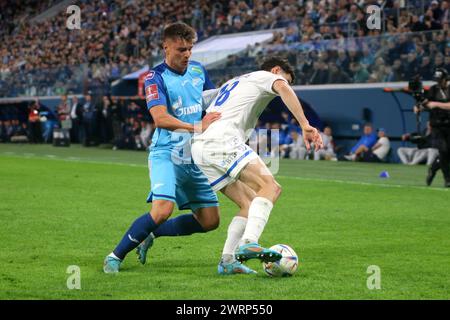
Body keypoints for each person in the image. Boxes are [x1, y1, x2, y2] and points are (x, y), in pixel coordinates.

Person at [104, 22, 226, 274]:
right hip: (166, 154)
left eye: (190, 49)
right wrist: (197, 127)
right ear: (166, 47)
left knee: (210, 221)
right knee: (162, 210)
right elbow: (160, 119)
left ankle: (151, 233)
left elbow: (214, 106)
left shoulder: (198, 71)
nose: (187, 54)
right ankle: (114, 256)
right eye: (181, 49)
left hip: (194, 156)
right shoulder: (154, 77)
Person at [190, 56, 323, 272]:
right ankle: (249, 242)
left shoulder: (235, 81)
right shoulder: (265, 76)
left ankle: (227, 261)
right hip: (222, 139)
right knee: (271, 187)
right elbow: (281, 86)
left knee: (249, 203)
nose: (284, 86)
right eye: (286, 80)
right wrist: (305, 125)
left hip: (200, 146)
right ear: (276, 69)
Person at [415, 68, 450, 187]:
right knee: (444, 151)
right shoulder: (433, 89)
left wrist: (436, 104)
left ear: (446, 79)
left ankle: (433, 169)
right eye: (437, 80)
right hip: (437, 126)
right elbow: (425, 103)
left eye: (440, 80)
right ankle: (448, 180)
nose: (438, 82)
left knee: (447, 153)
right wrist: (419, 107)